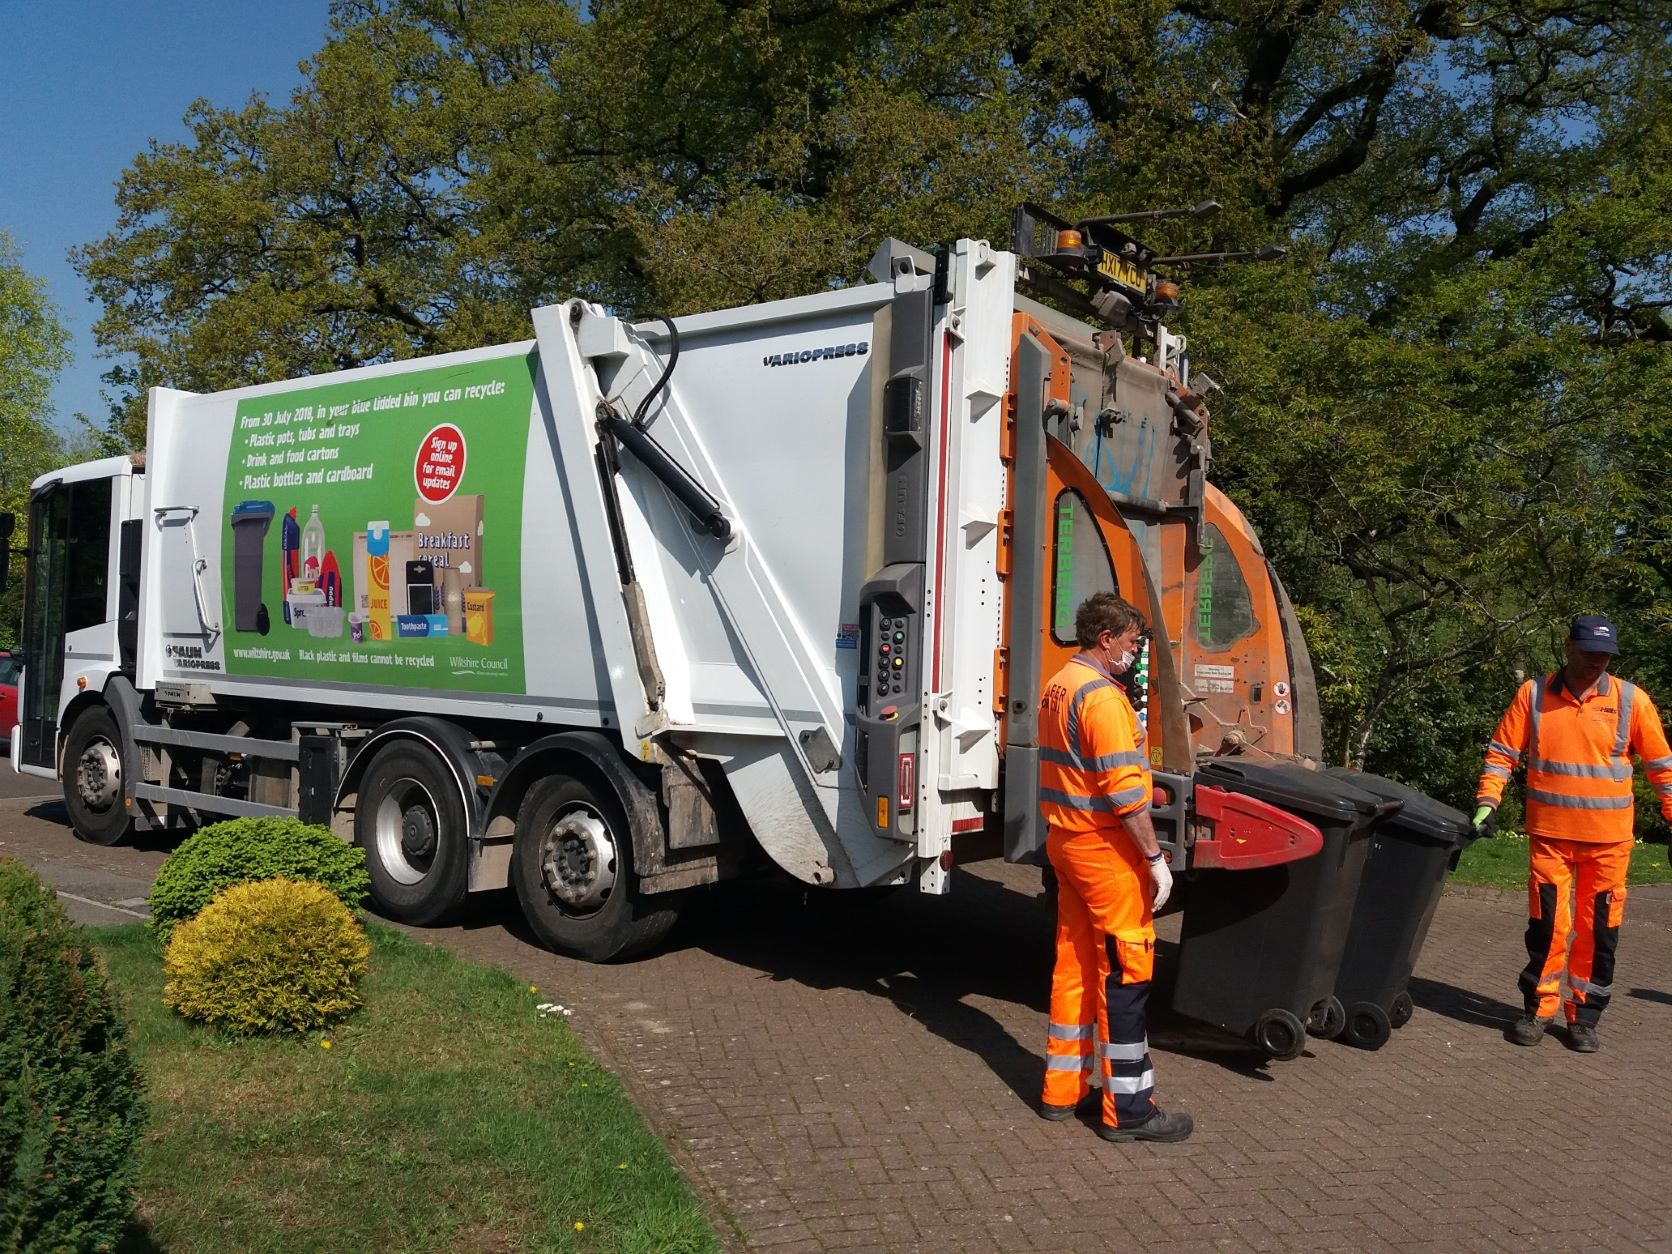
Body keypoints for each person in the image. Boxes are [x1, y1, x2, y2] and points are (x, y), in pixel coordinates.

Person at [1474, 615, 1672, 1052]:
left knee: (1599, 933)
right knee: (1548, 929)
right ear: (1568, 647)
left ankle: (1584, 1018)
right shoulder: (1533, 695)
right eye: (1589, 652)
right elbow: (1502, 754)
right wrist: (1488, 801)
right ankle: (1538, 1010)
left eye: (1605, 655)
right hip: (1550, 837)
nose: (1597, 662)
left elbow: (1662, 767)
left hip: (1609, 842)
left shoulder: (1631, 700)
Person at [1036, 592, 1192, 1143]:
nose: (1135, 652)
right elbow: (1124, 793)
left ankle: (1062, 1091)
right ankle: (1129, 1110)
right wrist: (1154, 858)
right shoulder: (1102, 698)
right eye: (1130, 642)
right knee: (1127, 968)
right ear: (1106, 639)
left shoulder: (1060, 684)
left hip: (1066, 841)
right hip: (1104, 851)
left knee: (1076, 964)